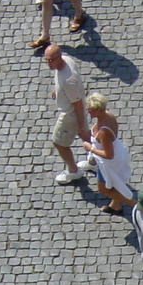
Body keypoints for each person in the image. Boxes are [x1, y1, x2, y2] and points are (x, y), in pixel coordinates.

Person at [79, 93, 134, 214]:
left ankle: (135, 205)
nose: (88, 112)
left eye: (91, 110)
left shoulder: (103, 132)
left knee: (103, 188)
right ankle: (115, 205)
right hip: (118, 152)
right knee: (115, 183)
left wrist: (91, 148)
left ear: (99, 110)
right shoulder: (109, 115)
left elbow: (109, 155)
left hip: (109, 161)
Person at [42, 46, 90, 184]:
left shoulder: (68, 81)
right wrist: (58, 90)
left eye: (51, 60)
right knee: (86, 135)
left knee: (59, 143)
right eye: (46, 60)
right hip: (75, 106)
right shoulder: (67, 61)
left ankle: (73, 171)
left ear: (59, 57)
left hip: (70, 114)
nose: (48, 63)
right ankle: (93, 161)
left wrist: (80, 124)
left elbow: (77, 104)